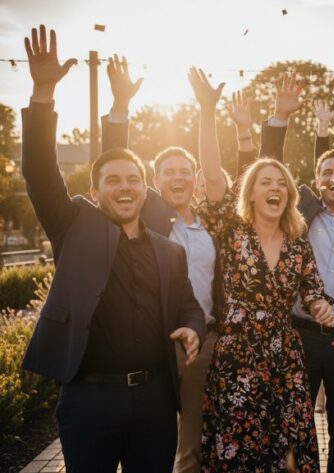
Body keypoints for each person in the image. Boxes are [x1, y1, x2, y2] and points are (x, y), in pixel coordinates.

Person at [19, 25, 205, 472]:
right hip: (89, 401)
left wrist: (192, 327)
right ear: (95, 191)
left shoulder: (168, 250)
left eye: (133, 180)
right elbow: (41, 172)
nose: (125, 187)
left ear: (146, 189)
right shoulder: (74, 227)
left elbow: (188, 306)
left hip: (156, 402)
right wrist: (43, 93)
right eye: (113, 181)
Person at [188, 68, 334, 472]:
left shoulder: (296, 241)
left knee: (288, 455)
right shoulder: (231, 229)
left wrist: (321, 305)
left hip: (285, 359)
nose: (275, 187)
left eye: (281, 183)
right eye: (265, 180)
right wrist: (206, 111)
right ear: (250, 192)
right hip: (236, 357)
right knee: (240, 452)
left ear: (288, 194)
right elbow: (214, 171)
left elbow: (313, 289)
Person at [241, 75, 334, 472]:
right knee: (294, 428)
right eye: (327, 173)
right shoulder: (300, 217)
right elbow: (267, 167)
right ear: (316, 182)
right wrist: (280, 117)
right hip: (300, 336)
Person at [99, 55, 222, 473]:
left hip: (197, 347)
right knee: (146, 444)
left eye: (185, 171)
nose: (178, 178)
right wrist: (120, 106)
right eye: (168, 171)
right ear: (155, 180)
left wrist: (208, 111)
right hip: (150, 348)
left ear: (196, 178)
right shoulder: (147, 214)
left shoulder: (212, 226)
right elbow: (113, 163)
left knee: (191, 444)